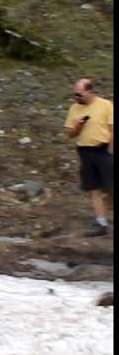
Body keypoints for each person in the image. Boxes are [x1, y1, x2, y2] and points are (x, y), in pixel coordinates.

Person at [64, 78, 114, 237]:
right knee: (94, 189)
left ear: (90, 92)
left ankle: (106, 211)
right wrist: (78, 125)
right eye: (75, 95)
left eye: (79, 94)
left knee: (111, 186)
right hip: (85, 151)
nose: (76, 98)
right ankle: (101, 223)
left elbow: (112, 128)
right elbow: (70, 134)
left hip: (104, 150)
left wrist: (112, 149)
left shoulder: (105, 105)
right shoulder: (74, 109)